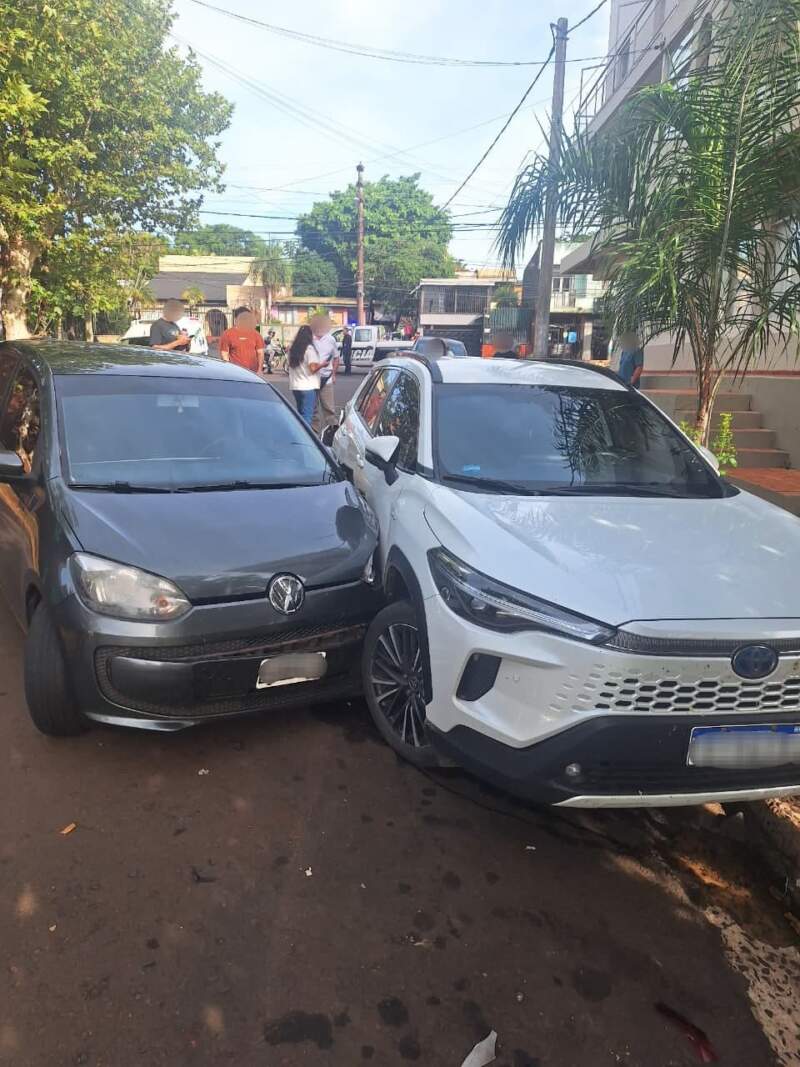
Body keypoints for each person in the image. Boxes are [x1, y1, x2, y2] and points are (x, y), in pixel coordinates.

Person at [310, 314, 339, 433]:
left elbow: (336, 358)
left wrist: (333, 375)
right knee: (313, 410)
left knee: (329, 409)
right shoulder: (309, 339)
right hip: (311, 379)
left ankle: (332, 434)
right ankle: (314, 435)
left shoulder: (331, 339)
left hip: (326, 379)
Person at [288, 324, 321, 425]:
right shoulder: (309, 349)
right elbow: (312, 368)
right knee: (307, 415)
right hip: (308, 386)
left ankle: (299, 433)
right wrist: (323, 365)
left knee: (300, 414)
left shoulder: (293, 349)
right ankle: (305, 437)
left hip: (295, 386)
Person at [218, 308, 265, 375]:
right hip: (235, 373)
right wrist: (228, 369)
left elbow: (260, 353)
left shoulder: (256, 334)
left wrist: (260, 370)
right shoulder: (227, 334)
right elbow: (224, 353)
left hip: (253, 373)